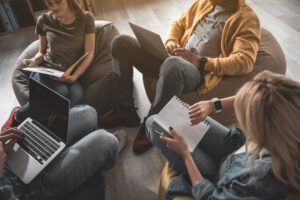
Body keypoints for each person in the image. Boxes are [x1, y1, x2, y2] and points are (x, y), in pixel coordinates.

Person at [99, 0, 261, 154]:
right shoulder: (204, 4)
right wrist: (172, 42)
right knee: (121, 42)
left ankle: (155, 122)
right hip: (175, 57)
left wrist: (201, 62)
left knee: (173, 64)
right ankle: (125, 109)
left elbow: (244, 61)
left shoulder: (247, 19)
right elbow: (178, 23)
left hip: (199, 71)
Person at [146, 70, 300, 199]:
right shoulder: (290, 118)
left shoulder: (259, 180)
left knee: (153, 123)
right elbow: (258, 97)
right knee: (184, 112)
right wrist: (212, 105)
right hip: (238, 150)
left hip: (219, 176)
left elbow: (211, 196)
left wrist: (185, 154)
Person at [2, 0, 95, 131]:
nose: (54, 7)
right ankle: (17, 116)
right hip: (47, 72)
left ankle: (51, 126)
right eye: (49, 3)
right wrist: (33, 61)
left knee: (77, 95)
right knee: (61, 92)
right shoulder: (44, 20)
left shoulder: (86, 18)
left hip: (69, 74)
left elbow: (89, 53)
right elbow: (41, 51)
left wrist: (75, 76)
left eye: (58, 2)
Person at [0, 105, 119, 199]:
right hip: (29, 186)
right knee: (108, 141)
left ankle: (87, 149)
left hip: (11, 154)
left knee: (88, 113)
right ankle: (104, 160)